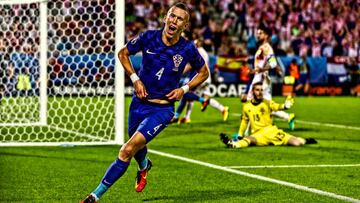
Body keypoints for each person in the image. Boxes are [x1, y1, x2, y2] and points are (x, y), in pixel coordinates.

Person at [81, 3, 209, 203]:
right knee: (136, 146)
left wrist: (184, 90)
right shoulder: (148, 37)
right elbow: (122, 53)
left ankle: (94, 196)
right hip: (139, 103)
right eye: (172, 16)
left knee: (127, 149)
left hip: (163, 110)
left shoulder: (187, 48)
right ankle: (144, 166)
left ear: (185, 25)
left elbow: (204, 73)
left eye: (179, 19)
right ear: (165, 17)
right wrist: (135, 79)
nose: (174, 21)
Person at [220, 82, 317, 148]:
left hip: (272, 132)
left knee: (297, 143)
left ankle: (306, 140)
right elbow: (245, 121)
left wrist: (285, 106)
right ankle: (233, 144)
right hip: (258, 135)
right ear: (253, 92)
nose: (260, 92)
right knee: (249, 139)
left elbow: (277, 106)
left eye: (261, 90)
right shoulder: (247, 106)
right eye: (257, 90)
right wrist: (240, 135)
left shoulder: (267, 103)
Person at [247, 24, 295, 130]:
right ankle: (288, 117)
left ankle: (243, 135)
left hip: (262, 79)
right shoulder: (261, 47)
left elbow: (273, 64)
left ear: (266, 35)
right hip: (259, 77)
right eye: (257, 33)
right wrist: (255, 70)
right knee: (266, 106)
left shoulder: (268, 48)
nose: (258, 35)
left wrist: (261, 70)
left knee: (251, 104)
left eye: (260, 33)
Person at [171, 37, 229, 124]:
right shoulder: (203, 52)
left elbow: (191, 65)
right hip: (204, 77)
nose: (194, 44)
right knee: (191, 96)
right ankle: (222, 109)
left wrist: (179, 73)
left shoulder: (198, 51)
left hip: (201, 77)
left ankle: (200, 103)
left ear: (199, 43)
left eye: (195, 42)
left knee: (187, 93)